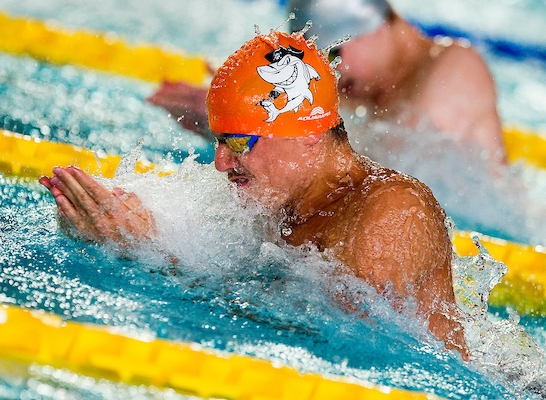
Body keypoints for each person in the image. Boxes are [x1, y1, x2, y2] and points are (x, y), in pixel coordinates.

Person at [40, 30, 468, 358]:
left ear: (309, 134)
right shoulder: (280, 199)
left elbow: (339, 342)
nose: (221, 163)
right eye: (218, 140)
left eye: (240, 142)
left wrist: (149, 253)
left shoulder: (391, 209)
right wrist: (110, 227)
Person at [148, 0, 506, 165]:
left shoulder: (454, 67)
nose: (332, 72)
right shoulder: (364, 82)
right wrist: (240, 119)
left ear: (376, 25)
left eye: (335, 53)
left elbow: (396, 172)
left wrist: (255, 133)